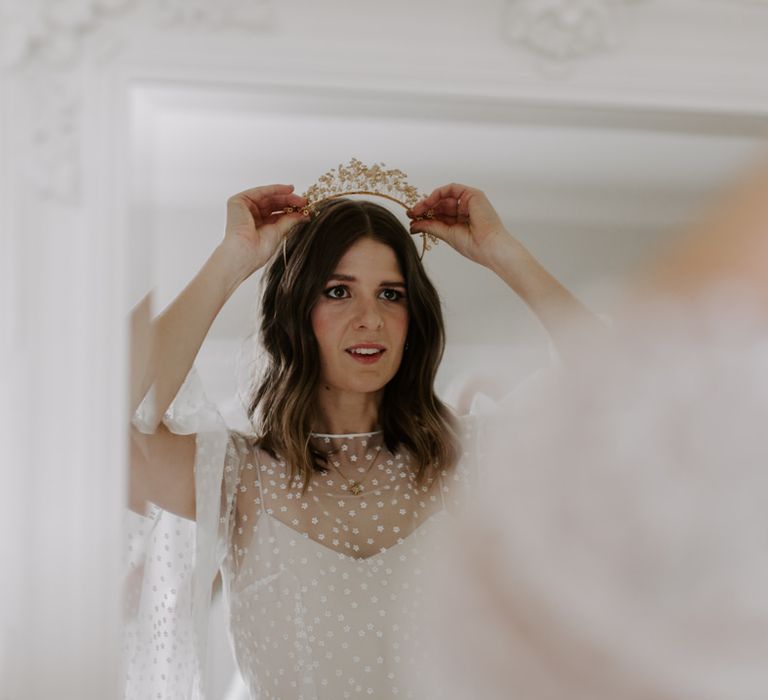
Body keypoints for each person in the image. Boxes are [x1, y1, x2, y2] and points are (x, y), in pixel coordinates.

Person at [126, 181, 602, 699]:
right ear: (294, 312)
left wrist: (503, 253)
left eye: (390, 295)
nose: (370, 319)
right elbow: (98, 417)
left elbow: (622, 395)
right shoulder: (236, 475)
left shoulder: (475, 460)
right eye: (338, 291)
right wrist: (231, 260)